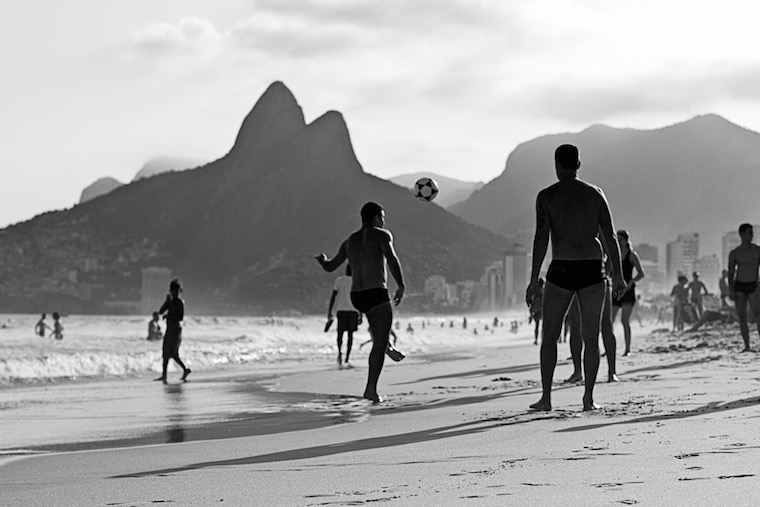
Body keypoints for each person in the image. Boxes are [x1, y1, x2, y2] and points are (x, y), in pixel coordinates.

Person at [525, 144, 625, 412]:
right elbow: (610, 236)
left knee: (549, 335)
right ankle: (588, 399)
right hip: (592, 269)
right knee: (591, 337)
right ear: (579, 164)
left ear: (556, 164)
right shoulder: (596, 194)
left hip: (562, 269)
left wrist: (534, 279)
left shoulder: (547, 196)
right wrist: (620, 276)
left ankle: (546, 398)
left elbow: (541, 238)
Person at [315, 202, 405, 403]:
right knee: (379, 340)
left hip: (358, 297)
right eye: (382, 217)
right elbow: (391, 259)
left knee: (376, 326)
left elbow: (330, 267)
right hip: (376, 293)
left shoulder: (349, 241)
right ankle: (371, 389)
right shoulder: (382, 235)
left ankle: (387, 346)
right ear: (375, 217)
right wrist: (401, 285)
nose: (383, 221)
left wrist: (322, 260)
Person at [611, 230, 645, 357]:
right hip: (616, 290)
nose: (618, 241)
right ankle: (609, 348)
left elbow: (641, 273)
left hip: (629, 291)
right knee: (610, 321)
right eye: (617, 239)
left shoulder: (632, 255)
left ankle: (627, 349)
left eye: (620, 239)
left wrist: (631, 282)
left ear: (626, 241)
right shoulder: (615, 255)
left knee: (624, 321)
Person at [727, 223, 760, 352]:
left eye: (752, 233)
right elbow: (731, 273)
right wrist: (731, 289)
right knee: (742, 317)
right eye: (748, 233)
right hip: (740, 285)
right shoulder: (735, 253)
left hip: (753, 285)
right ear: (741, 234)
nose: (751, 235)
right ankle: (747, 345)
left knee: (758, 315)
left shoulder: (757, 250)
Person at [155, 279, 191, 383]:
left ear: (180, 290)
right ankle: (164, 375)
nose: (174, 292)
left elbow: (180, 317)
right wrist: (166, 302)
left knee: (173, 353)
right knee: (165, 352)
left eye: (176, 290)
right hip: (169, 329)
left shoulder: (180, 302)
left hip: (176, 330)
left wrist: (169, 315)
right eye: (172, 290)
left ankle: (185, 369)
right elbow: (160, 312)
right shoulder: (170, 301)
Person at [327, 264, 361, 369]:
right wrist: (361, 314)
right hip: (353, 311)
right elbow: (360, 298)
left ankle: (339, 354)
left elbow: (333, 297)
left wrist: (329, 312)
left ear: (345, 270)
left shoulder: (339, 280)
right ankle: (347, 358)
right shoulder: (356, 281)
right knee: (350, 336)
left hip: (341, 311)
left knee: (340, 334)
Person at [528, 278, 544, 344]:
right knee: (543, 326)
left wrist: (531, 313)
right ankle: (542, 339)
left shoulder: (536, 292)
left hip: (537, 309)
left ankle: (536, 339)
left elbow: (533, 303)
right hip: (543, 310)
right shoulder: (544, 291)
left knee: (537, 326)